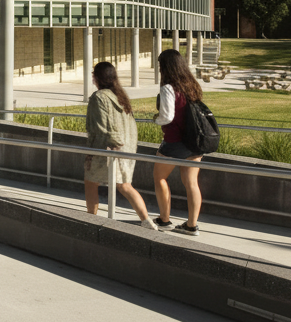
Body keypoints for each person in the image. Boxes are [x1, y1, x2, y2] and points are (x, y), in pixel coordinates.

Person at [84, 61, 156, 229]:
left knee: (91, 182)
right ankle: (146, 220)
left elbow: (101, 127)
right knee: (124, 185)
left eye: (93, 76)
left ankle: (90, 219)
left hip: (105, 148)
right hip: (125, 148)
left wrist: (92, 151)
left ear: (96, 78)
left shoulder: (99, 97)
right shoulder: (120, 96)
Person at [152, 48, 205, 235]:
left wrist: (155, 119)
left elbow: (167, 117)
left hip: (175, 141)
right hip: (195, 142)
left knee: (159, 178)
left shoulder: (168, 88)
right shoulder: (192, 85)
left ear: (165, 67)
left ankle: (164, 220)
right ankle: (192, 225)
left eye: (160, 65)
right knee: (191, 183)